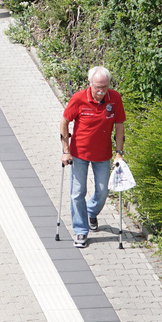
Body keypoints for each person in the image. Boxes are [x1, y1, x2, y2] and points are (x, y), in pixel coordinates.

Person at [60, 66, 127, 247]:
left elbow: (119, 125)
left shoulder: (115, 99)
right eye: (97, 87)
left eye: (104, 87)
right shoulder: (79, 98)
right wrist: (66, 150)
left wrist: (119, 153)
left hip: (103, 154)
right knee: (77, 192)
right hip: (79, 153)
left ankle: (90, 211)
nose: (100, 91)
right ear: (89, 83)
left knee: (103, 191)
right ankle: (81, 231)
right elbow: (64, 122)